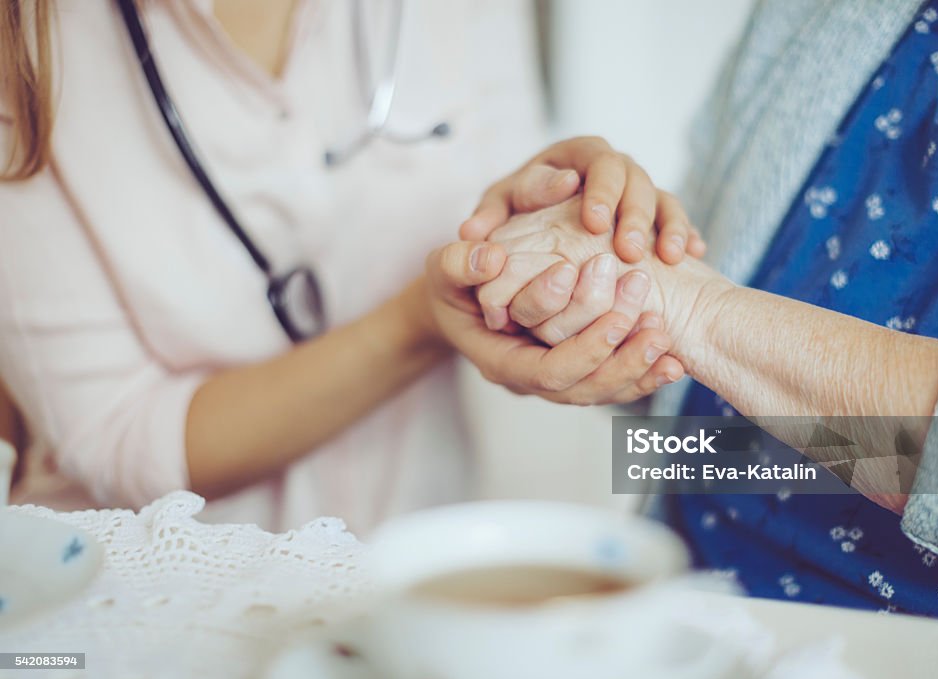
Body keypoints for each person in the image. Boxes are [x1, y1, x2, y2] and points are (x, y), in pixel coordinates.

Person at [455, 0, 938, 679]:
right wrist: (591, 277)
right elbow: (696, 414)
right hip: (676, 615)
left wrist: (694, 311)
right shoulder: (817, 17)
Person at [0, 0, 701, 533]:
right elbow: (119, 439)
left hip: (410, 565)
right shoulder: (28, 41)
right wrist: (423, 320)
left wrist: (559, 222)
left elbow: (503, 234)